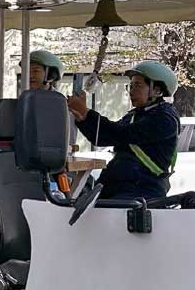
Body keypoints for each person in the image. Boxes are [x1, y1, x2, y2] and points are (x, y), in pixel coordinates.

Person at [66, 60, 180, 203]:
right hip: (120, 187)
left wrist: (87, 113)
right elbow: (102, 138)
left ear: (157, 90)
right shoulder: (134, 115)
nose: (132, 91)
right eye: (130, 86)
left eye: (138, 85)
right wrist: (82, 118)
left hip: (142, 191)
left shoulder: (165, 118)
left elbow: (121, 133)